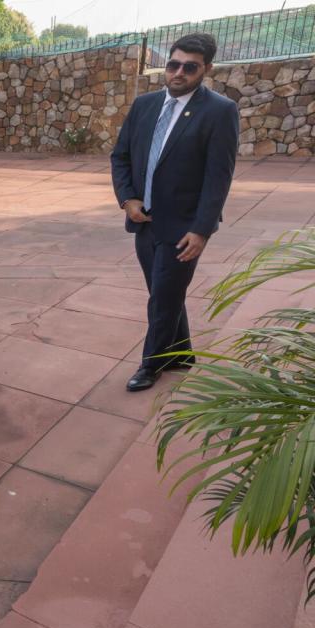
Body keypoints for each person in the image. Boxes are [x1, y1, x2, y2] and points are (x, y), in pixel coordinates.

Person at [111, 33, 239, 391]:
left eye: (190, 67)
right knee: (164, 293)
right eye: (173, 64)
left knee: (162, 301)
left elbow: (219, 178)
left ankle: (150, 366)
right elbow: (120, 157)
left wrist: (202, 230)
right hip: (144, 222)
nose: (179, 72)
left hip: (183, 228)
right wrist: (127, 199)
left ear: (206, 69)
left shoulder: (219, 111)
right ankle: (181, 353)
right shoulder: (144, 105)